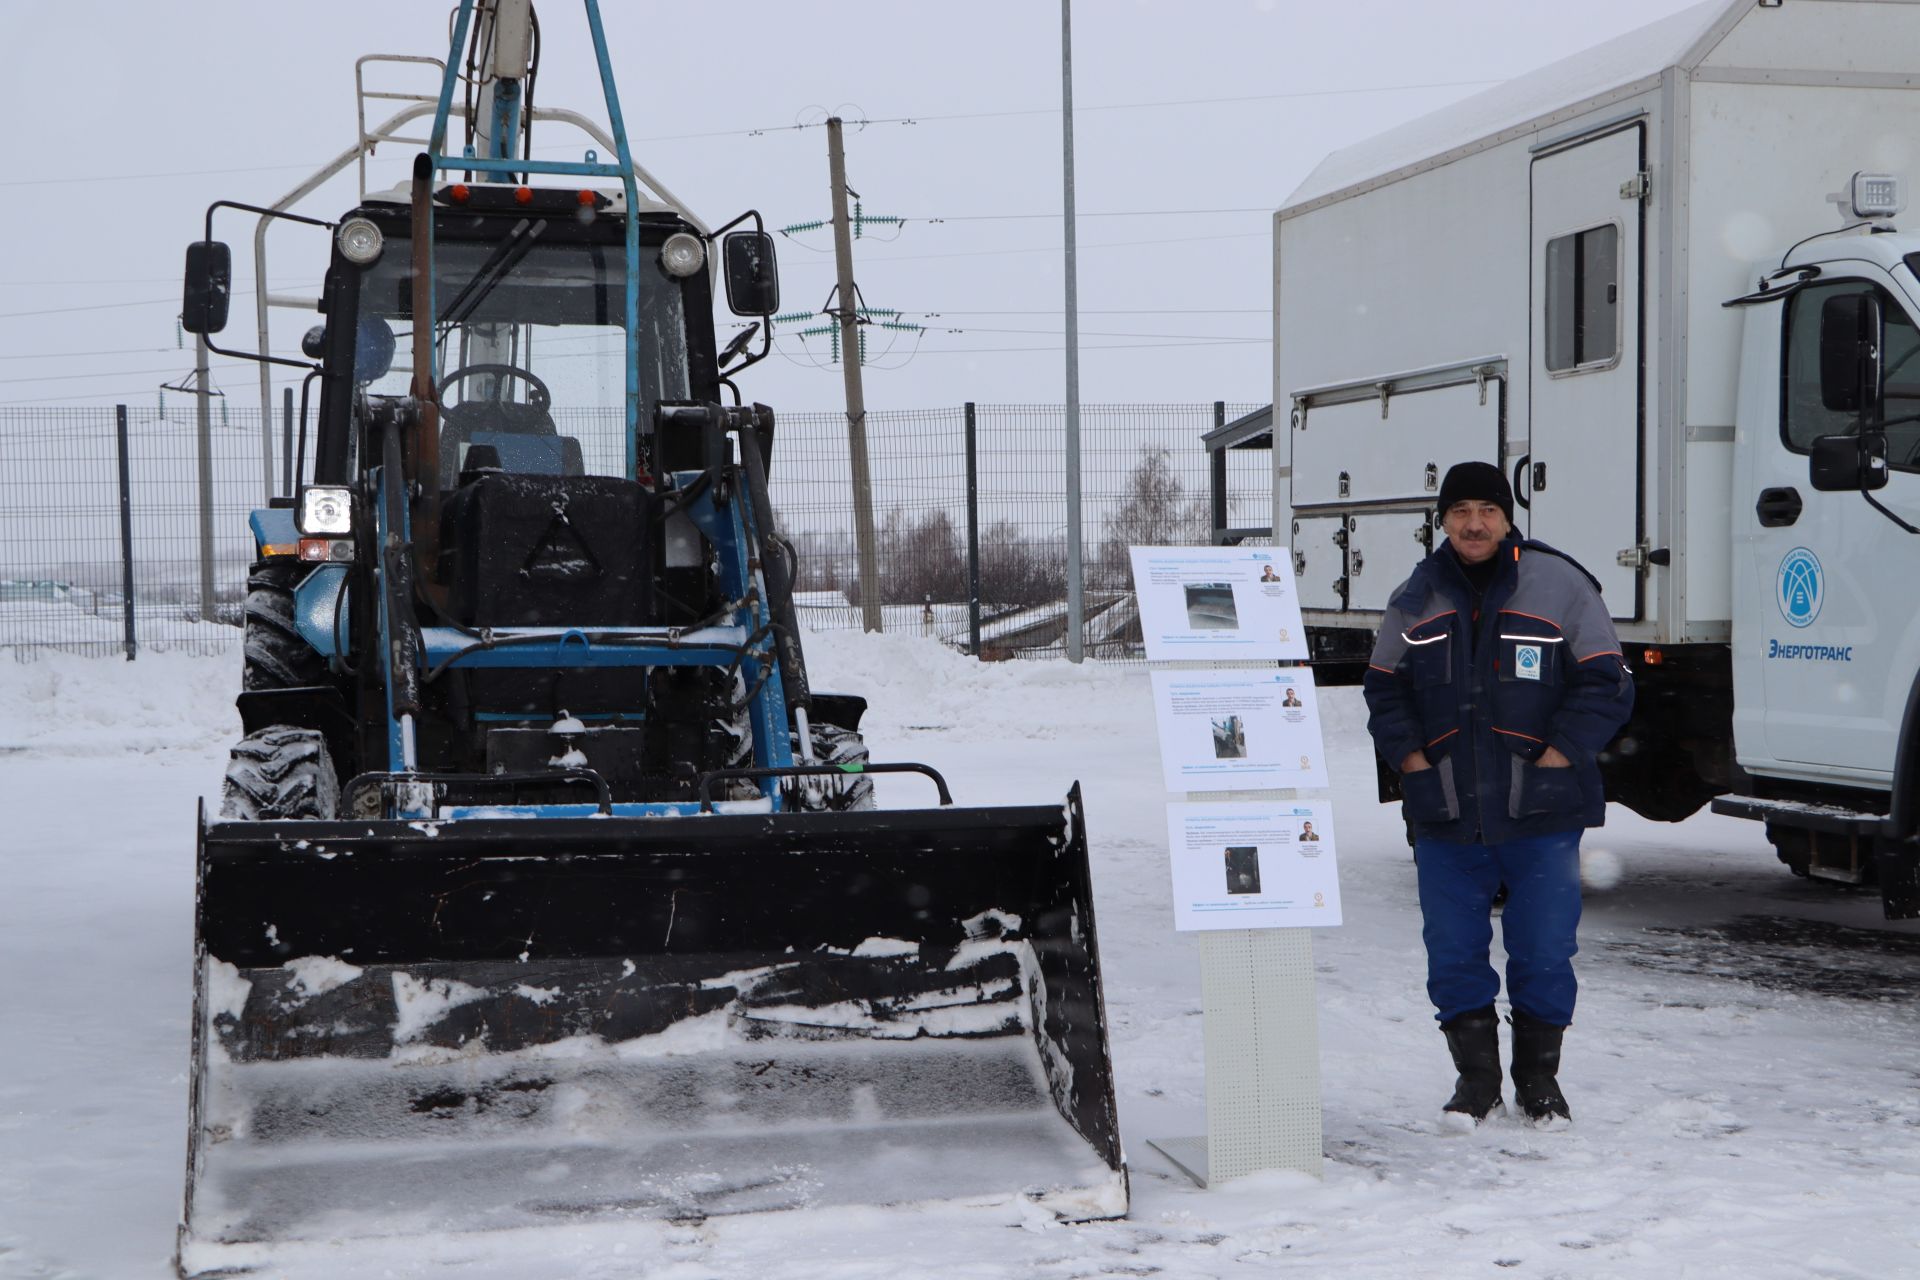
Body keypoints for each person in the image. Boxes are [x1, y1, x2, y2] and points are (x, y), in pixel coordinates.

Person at [1362, 461, 1632, 1130]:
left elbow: (1608, 683)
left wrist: (1560, 752)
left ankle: (1540, 1083)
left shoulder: (1561, 585)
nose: (1474, 523)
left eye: (1487, 509)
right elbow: (1384, 691)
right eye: (1460, 511)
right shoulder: (1415, 596)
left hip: (1540, 811)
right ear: (1442, 520)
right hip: (1445, 812)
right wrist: (1412, 760)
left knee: (1543, 951)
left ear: (1509, 517)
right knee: (1453, 954)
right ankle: (1475, 1083)